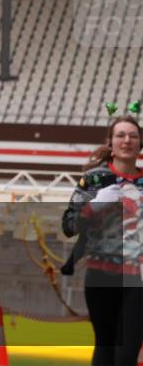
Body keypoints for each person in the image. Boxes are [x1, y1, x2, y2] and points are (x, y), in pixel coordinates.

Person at [62, 115, 143, 366]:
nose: (127, 140)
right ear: (111, 142)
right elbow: (69, 226)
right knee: (106, 348)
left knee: (127, 355)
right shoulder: (94, 179)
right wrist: (94, 205)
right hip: (102, 276)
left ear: (140, 144)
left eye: (133, 136)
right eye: (120, 135)